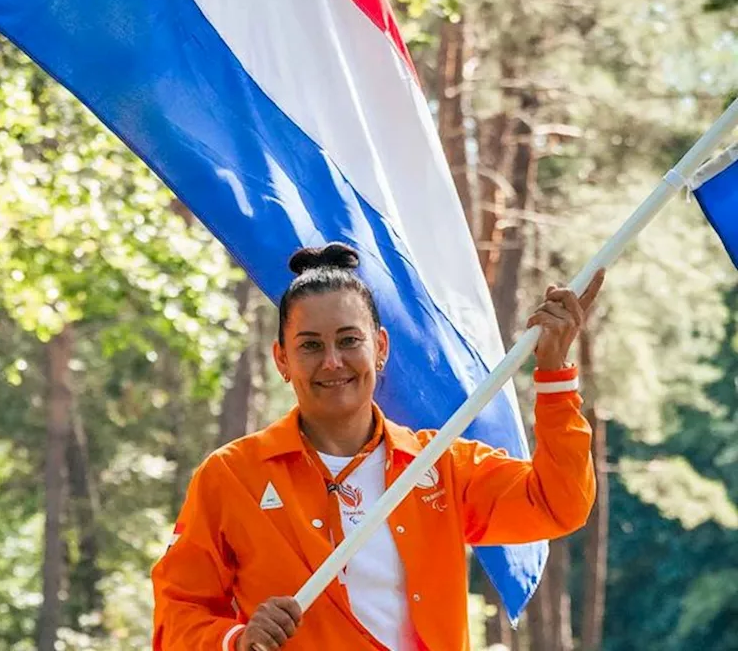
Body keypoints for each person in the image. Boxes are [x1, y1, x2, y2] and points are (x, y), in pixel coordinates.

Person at [151, 243, 604, 651]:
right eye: (310, 346)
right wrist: (236, 639)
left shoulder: (439, 463)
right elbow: (176, 618)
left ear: (380, 348)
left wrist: (555, 376)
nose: (332, 362)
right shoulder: (231, 476)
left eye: (349, 340)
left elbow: (558, 503)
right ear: (282, 359)